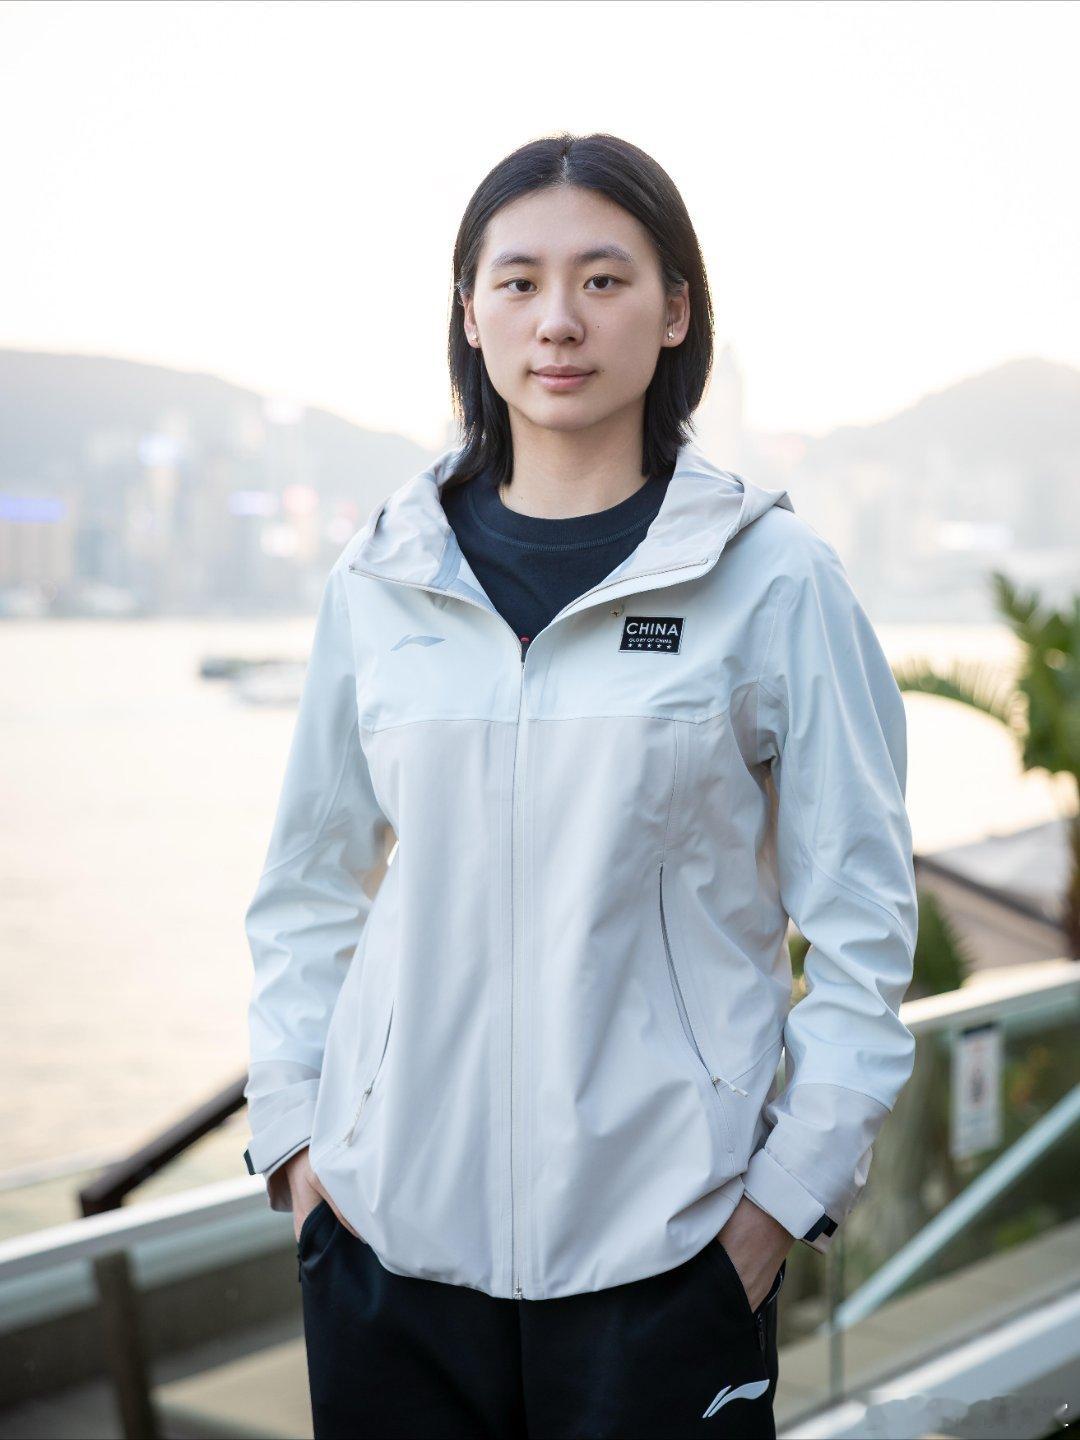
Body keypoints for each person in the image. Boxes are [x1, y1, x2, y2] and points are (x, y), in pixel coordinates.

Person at [241, 131, 919, 1439]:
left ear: (676, 312)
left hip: (668, 1265)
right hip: (384, 1255)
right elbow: (308, 890)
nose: (558, 320)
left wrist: (778, 1208)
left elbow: (863, 926)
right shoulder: (380, 578)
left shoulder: (772, 579)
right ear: (470, 314)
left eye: (604, 280)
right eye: (518, 281)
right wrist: (301, 1154)